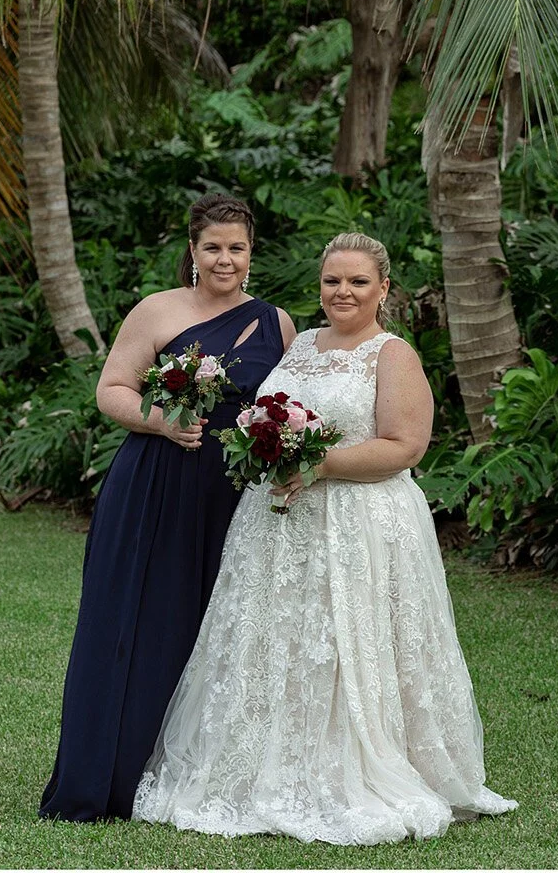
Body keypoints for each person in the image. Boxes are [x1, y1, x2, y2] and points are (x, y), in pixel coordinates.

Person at [132, 232, 515, 844]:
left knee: (348, 643)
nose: (344, 292)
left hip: (361, 522)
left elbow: (404, 447)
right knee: (279, 642)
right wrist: (268, 448)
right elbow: (265, 414)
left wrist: (316, 465)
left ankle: (364, 767)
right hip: (278, 522)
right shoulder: (301, 343)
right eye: (333, 280)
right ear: (320, 286)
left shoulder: (393, 355)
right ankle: (263, 766)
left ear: (383, 288)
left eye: (359, 281)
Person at [41, 194, 292, 821]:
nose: (225, 259)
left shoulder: (278, 324)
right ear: (193, 250)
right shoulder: (157, 311)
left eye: (237, 247)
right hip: (155, 483)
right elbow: (111, 390)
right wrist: (162, 421)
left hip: (236, 496)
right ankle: (107, 776)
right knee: (135, 619)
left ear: (251, 252)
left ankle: (193, 773)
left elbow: (282, 407)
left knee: (216, 628)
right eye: (213, 247)